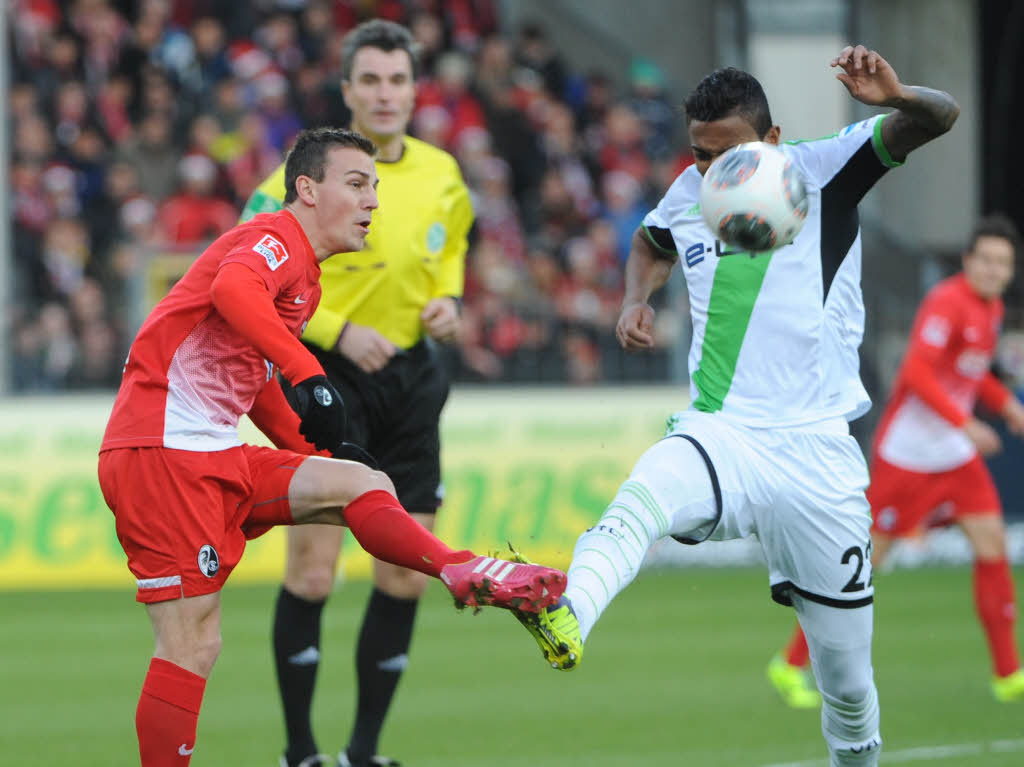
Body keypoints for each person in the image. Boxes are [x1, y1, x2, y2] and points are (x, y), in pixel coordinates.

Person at [513, 45, 960, 767]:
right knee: (639, 501)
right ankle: (569, 615)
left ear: (775, 140)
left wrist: (900, 95)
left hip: (819, 454)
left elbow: (941, 118)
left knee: (845, 685)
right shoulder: (689, 193)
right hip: (725, 432)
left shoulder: (825, 168)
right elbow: (650, 242)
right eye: (698, 155)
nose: (713, 172)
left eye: (730, 154)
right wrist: (635, 298)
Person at [98, 127, 564, 767]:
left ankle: (461, 569)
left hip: (209, 450)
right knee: (191, 642)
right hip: (162, 452)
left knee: (357, 482)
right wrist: (310, 374)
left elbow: (252, 375)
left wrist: (321, 449)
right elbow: (234, 294)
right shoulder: (270, 237)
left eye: (375, 186)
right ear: (307, 190)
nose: (373, 200)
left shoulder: (306, 282)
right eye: (357, 184)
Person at [240, 21, 474, 767]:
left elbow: (452, 247)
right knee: (313, 568)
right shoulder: (306, 171)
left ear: (413, 89)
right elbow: (247, 256)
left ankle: (362, 753)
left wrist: (450, 301)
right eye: (369, 80)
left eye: (396, 80)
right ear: (346, 91)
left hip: (411, 378)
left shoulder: (441, 172)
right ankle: (299, 752)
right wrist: (337, 331)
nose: (384, 94)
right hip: (322, 373)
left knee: (405, 571)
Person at [769, 214, 1024, 709]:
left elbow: (966, 378)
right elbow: (918, 373)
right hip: (908, 458)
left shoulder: (990, 310)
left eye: (1004, 263)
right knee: (862, 564)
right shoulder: (948, 303)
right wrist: (967, 423)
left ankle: (1008, 673)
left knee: (992, 544)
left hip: (952, 457)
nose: (994, 270)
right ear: (969, 261)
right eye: (986, 260)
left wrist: (1005, 405)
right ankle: (790, 663)